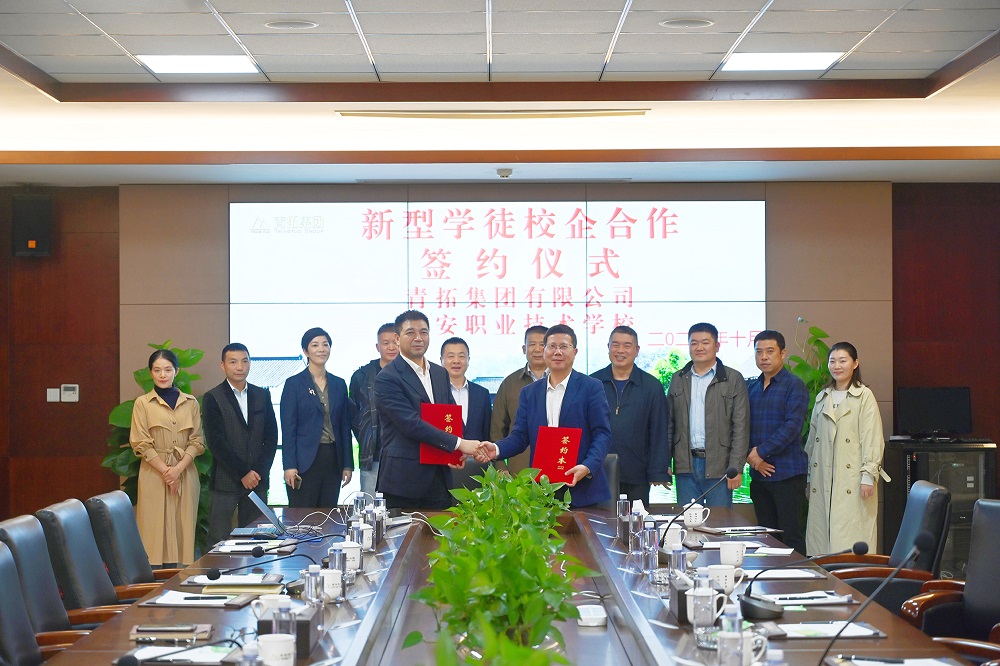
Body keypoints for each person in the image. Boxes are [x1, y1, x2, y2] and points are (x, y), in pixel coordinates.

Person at [477, 324, 613, 508]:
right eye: (552, 346)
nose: (557, 352)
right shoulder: (529, 393)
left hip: (582, 488)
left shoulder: (591, 387)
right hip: (542, 490)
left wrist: (587, 466)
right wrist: (497, 448)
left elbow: (602, 434)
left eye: (564, 346)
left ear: (575, 352)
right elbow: (520, 436)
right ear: (544, 351)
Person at [374, 310, 485, 509]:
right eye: (410, 332)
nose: (418, 338)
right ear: (397, 338)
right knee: (404, 530)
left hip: (439, 477)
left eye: (423, 332)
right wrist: (459, 444)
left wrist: (456, 452)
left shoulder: (440, 373)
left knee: (439, 528)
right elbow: (411, 424)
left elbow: (450, 414)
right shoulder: (387, 377)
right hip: (403, 480)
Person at [805, 341, 888, 555]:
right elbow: (812, 441)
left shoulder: (864, 396)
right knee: (821, 538)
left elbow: (873, 437)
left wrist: (868, 475)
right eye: (832, 361)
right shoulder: (822, 397)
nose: (837, 366)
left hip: (853, 479)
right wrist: (810, 476)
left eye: (843, 361)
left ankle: (852, 573)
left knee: (851, 537)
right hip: (823, 477)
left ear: (855, 363)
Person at [129, 349, 205, 566]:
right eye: (157, 370)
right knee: (153, 531)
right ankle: (154, 580)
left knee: (183, 528)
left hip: (185, 472)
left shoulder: (191, 403)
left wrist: (177, 470)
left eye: (168, 370)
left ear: (176, 371)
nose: (163, 375)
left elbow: (198, 441)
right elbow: (140, 442)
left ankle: (180, 579)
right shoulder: (142, 403)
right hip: (154, 473)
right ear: (150, 372)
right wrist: (166, 471)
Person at [202, 343, 279, 545]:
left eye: (244, 361)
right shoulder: (213, 397)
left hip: (257, 481)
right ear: (223, 365)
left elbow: (271, 437)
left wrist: (257, 472)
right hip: (225, 481)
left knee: (256, 539)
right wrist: (243, 473)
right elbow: (216, 442)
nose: (239, 367)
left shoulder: (262, 395)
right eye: (233, 362)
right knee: (218, 539)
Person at [667, 322, 749, 508]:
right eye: (694, 343)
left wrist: (736, 467)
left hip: (720, 467)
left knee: (719, 522)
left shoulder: (733, 378)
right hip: (685, 466)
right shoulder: (678, 378)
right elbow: (669, 424)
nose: (699, 347)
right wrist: (665, 462)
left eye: (705, 342)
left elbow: (741, 427)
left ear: (717, 346)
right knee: (688, 521)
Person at [590, 326, 670, 506]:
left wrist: (658, 471)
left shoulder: (651, 386)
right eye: (615, 345)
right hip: (597, 472)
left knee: (635, 521)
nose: (620, 350)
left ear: (637, 350)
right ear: (608, 347)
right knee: (599, 521)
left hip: (637, 473)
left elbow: (659, 431)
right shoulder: (592, 383)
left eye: (627, 345)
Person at [746, 330, 810, 554]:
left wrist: (761, 452)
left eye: (770, 351)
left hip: (787, 475)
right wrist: (752, 457)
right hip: (759, 475)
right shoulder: (751, 388)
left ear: (782, 353)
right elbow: (742, 426)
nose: (764, 357)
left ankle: (797, 575)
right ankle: (770, 575)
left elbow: (792, 426)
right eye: (759, 352)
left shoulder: (794, 385)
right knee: (767, 537)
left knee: (791, 535)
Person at [280, 327, 353, 508]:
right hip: (304, 461)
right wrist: (289, 465)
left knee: (328, 514)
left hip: (333, 459)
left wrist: (347, 464)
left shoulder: (339, 384)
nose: (321, 349)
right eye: (315, 345)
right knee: (302, 515)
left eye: (325, 345)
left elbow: (344, 427)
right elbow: (288, 429)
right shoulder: (294, 384)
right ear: (306, 351)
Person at [490, 325, 548, 475]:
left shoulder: (562, 382)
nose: (537, 349)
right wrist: (501, 466)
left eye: (542, 344)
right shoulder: (509, 384)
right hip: (519, 471)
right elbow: (497, 430)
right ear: (524, 349)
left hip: (559, 468)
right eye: (532, 344)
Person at [349, 323, 398, 495]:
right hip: (373, 455)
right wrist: (367, 437)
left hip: (404, 457)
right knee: (370, 506)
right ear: (378, 347)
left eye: (395, 342)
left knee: (402, 508)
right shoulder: (361, 376)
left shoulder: (413, 374)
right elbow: (353, 417)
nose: (391, 347)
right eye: (386, 343)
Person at [440, 337, 492, 490]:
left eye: (461, 356)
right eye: (450, 356)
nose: (456, 361)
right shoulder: (435, 393)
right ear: (441, 360)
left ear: (468, 360)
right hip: (443, 466)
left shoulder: (482, 393)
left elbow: (487, 431)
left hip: (477, 467)